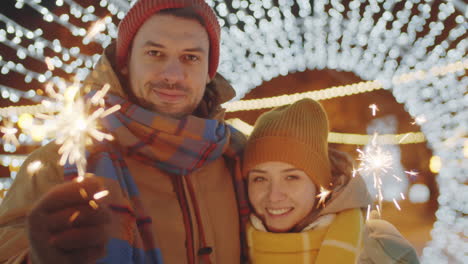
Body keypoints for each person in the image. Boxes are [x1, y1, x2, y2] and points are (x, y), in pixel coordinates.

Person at [0, 0, 247, 263]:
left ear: (209, 71)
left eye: (191, 57)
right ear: (126, 62)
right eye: (155, 53)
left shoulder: (240, 157)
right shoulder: (60, 163)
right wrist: (37, 258)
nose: (173, 75)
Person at [242, 98, 420, 263]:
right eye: (260, 179)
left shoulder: (381, 250)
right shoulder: (231, 247)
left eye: (291, 177)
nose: (274, 196)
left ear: (320, 184)